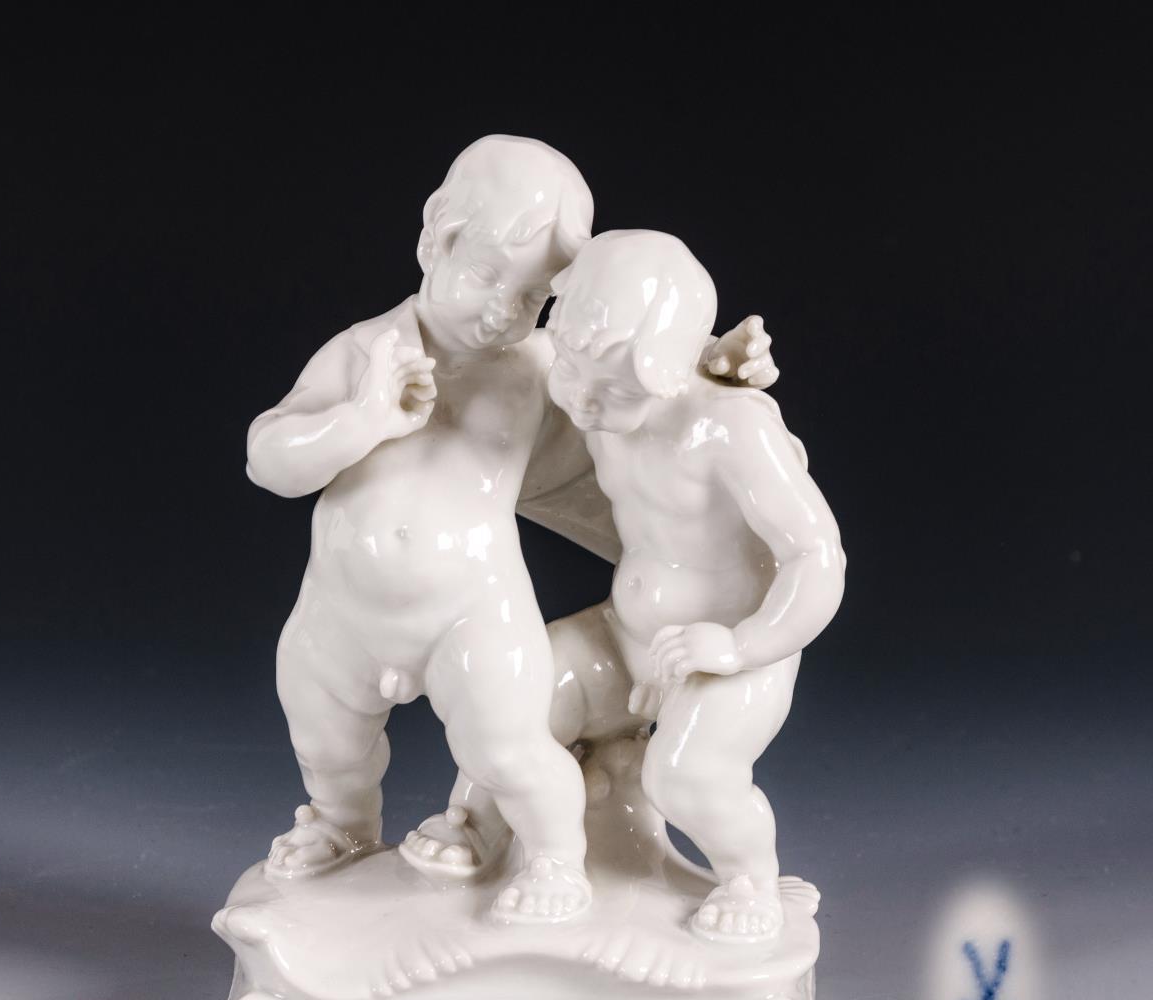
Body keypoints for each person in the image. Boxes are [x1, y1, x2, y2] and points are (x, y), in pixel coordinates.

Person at [404, 229, 845, 942]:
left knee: (688, 775)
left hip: (727, 653)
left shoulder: (730, 427)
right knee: (514, 695)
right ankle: (476, 823)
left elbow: (817, 555)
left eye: (611, 390)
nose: (581, 401)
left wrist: (741, 645)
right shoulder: (600, 383)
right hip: (626, 634)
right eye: (571, 371)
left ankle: (751, 881)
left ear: (667, 375)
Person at [246, 135, 597, 923]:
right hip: (343, 609)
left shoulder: (541, 369)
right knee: (325, 740)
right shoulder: (365, 352)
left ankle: (556, 859)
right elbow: (269, 458)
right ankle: (342, 826)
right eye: (487, 275)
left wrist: (718, 372)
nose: (504, 310)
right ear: (436, 240)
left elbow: (638, 385)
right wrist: (360, 419)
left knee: (510, 748)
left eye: (532, 297)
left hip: (471, 609)